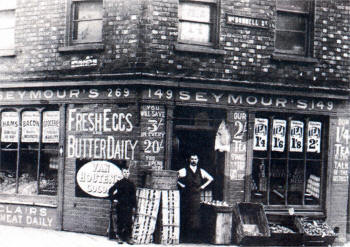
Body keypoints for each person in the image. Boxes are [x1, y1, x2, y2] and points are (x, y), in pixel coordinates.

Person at [177, 154, 213, 242]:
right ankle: (184, 238)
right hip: (186, 195)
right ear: (189, 160)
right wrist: (182, 185)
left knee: (196, 216)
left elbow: (211, 178)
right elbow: (174, 177)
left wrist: (203, 187)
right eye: (192, 159)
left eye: (195, 159)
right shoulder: (184, 170)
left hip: (196, 195)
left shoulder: (201, 171)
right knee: (186, 214)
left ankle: (195, 238)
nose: (194, 160)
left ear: (198, 160)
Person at [108, 167, 137, 245]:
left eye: (127, 172)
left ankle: (128, 238)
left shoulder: (132, 184)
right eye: (125, 172)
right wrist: (113, 199)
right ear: (122, 173)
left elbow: (133, 196)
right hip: (120, 205)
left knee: (128, 222)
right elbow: (110, 191)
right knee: (120, 221)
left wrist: (134, 206)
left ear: (129, 173)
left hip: (129, 206)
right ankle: (119, 237)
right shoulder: (119, 183)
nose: (126, 174)